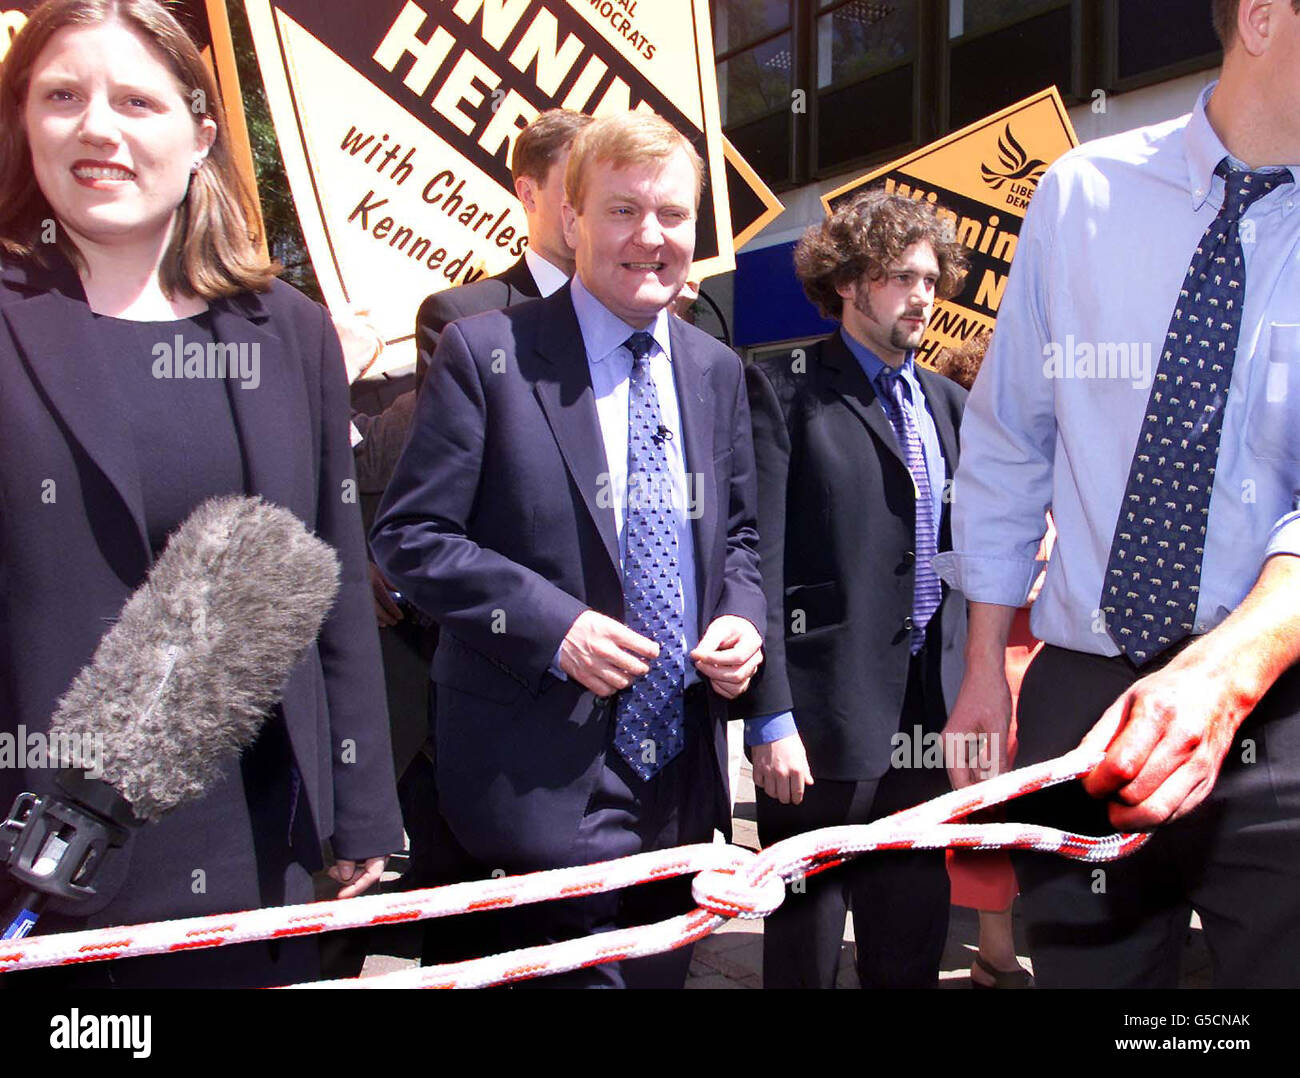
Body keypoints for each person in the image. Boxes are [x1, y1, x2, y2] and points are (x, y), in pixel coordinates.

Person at [0, 0, 402, 989]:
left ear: (199, 136)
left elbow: (335, 577)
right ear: (21, 122)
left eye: (135, 99)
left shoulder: (287, 331)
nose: (98, 126)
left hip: (269, 841)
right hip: (51, 851)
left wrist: (361, 805)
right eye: (62, 96)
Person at [935, 0, 1300, 988]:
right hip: (1083, 702)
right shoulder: (1079, 193)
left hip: (1280, 706)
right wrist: (981, 667)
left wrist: (1222, 678)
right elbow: (1011, 439)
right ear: (1263, 18)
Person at [370, 111, 766, 988]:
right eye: (622, 211)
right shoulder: (487, 351)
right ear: (573, 220)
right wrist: (556, 629)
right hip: (542, 782)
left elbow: (737, 536)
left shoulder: (716, 369)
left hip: (680, 779)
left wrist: (742, 619)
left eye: (672, 215)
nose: (651, 237)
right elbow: (410, 537)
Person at [736, 190, 970, 988]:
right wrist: (768, 716)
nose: (924, 297)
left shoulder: (948, 402)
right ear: (848, 281)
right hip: (821, 721)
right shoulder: (783, 386)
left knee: (910, 935)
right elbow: (756, 559)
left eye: (933, 280)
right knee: (804, 949)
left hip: (930, 716)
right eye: (903, 277)